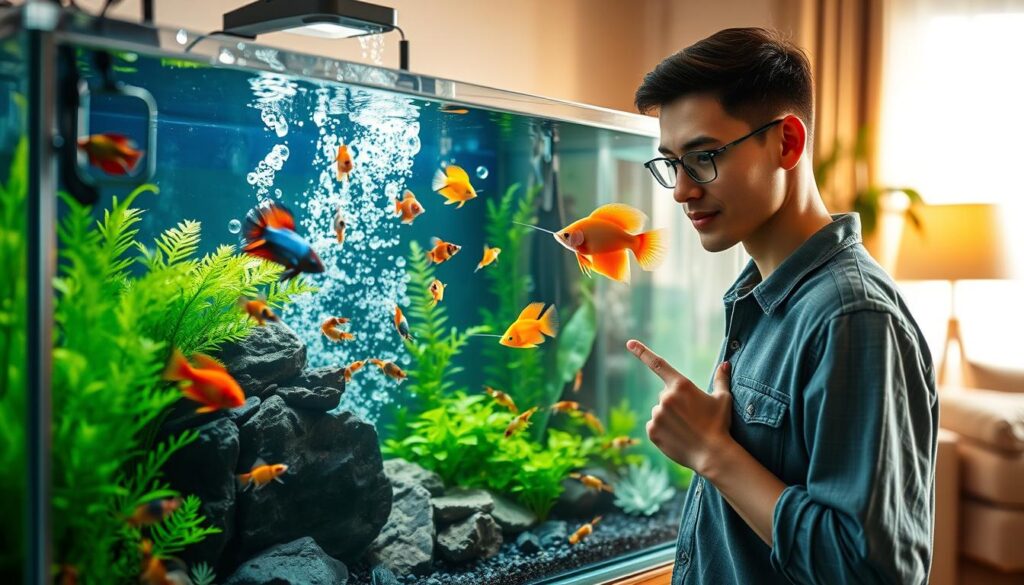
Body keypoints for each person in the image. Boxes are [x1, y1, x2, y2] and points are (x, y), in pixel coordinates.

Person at [625, 27, 938, 584]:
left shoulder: (853, 317)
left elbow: (874, 572)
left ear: (786, 144)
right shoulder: (759, 297)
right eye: (672, 162)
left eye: (702, 157)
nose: (681, 191)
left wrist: (712, 454)